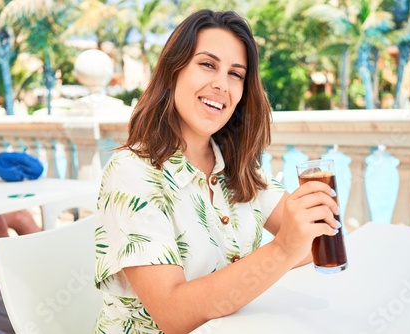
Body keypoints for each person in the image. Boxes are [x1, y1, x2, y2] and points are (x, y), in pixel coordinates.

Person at [94, 9, 340, 333]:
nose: (221, 84)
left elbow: (312, 242)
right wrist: (282, 249)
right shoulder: (132, 174)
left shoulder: (237, 166)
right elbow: (172, 314)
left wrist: (302, 233)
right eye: (208, 64)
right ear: (173, 72)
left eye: (236, 74)